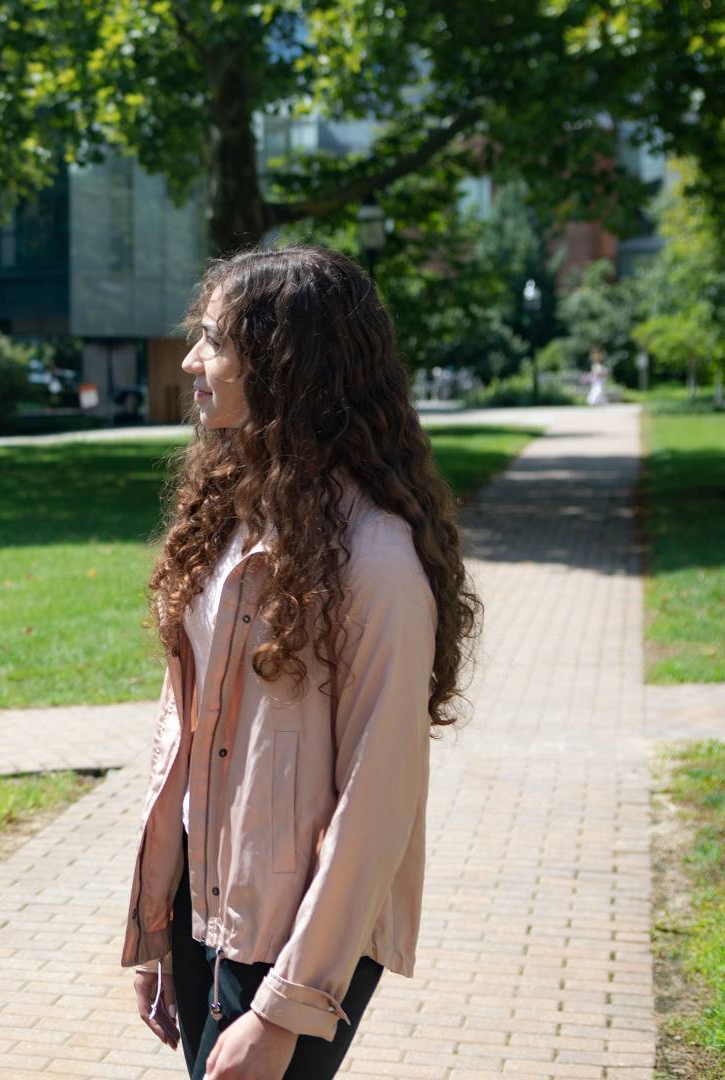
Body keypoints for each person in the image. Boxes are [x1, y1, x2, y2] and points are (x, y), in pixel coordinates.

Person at [124, 244, 480, 1080]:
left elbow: (377, 803)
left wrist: (287, 1007)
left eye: (214, 339)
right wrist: (154, 929)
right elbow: (187, 739)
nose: (190, 361)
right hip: (203, 910)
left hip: (298, 939)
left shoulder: (378, 558)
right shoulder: (229, 518)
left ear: (286, 362)